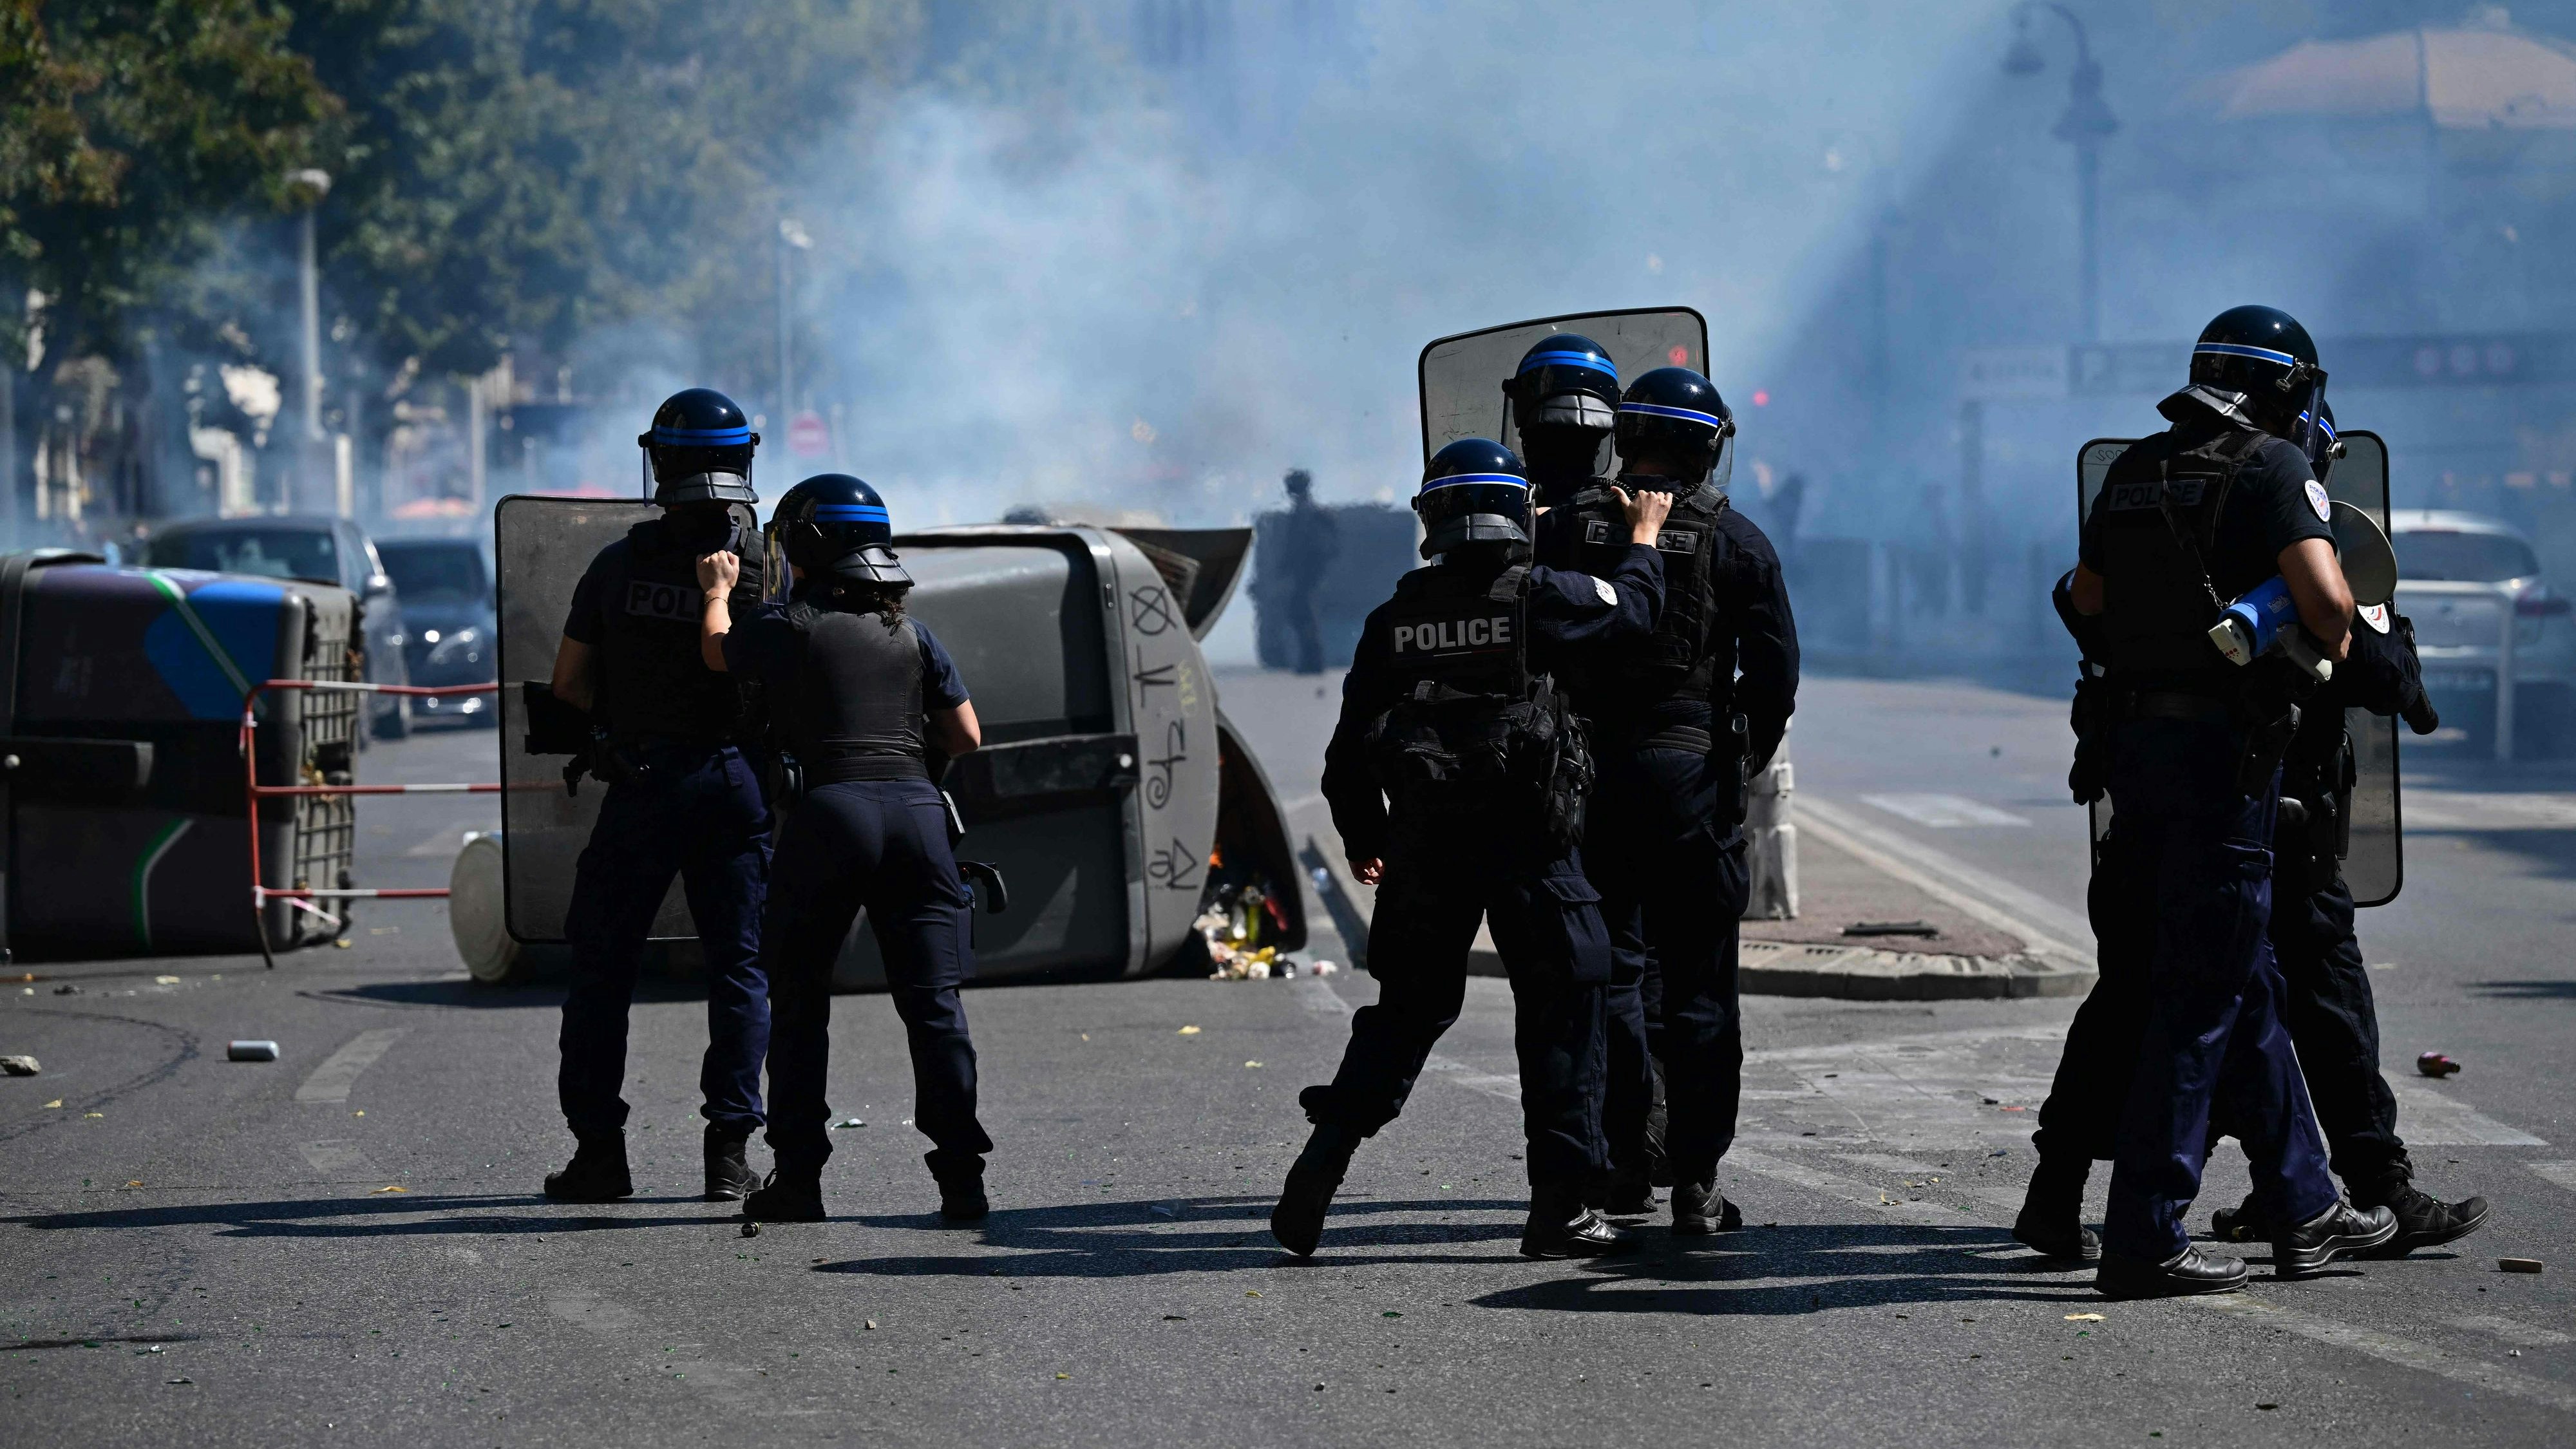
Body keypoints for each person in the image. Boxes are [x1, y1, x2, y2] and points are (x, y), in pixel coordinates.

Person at [2026, 305, 2398, 1297]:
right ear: (2287, 392)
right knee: (2202, 997)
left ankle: (2305, 1199)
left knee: (2243, 983)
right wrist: (2354, 643)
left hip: (2135, 760)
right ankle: (2144, 1230)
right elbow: (2324, 605)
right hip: (2225, 764)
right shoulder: (2275, 469)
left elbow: (2088, 598)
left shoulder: (2135, 468)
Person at [1273, 437, 1672, 1260]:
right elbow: (1634, 613)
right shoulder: (1542, 596)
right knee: (1565, 1018)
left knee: (1405, 1014)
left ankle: (1323, 1160)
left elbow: (1348, 752)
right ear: (1513, 514)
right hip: (1534, 849)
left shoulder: (1395, 619)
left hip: (1426, 850)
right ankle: (1561, 1211)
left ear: (1434, 519)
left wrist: (1366, 837)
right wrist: (1641, 542)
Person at [694, 473, 994, 1224]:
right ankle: (963, 1180)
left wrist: (717, 589)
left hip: (830, 814)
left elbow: (715, 655)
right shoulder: (914, 634)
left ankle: (799, 1180)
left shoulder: (786, 623)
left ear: (804, 545)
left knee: (798, 1003)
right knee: (934, 1008)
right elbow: (966, 736)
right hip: (920, 819)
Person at [1539, 366, 1798, 1232]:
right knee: (1700, 990)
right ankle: (1695, 1179)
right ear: (1706, 447)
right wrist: (1735, 761)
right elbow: (1774, 677)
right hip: (1690, 783)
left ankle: (1619, 1170)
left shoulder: (1563, 529)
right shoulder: (1739, 540)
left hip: (1589, 779)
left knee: (1605, 975)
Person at [544, 387, 775, 1204]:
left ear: (659, 462)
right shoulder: (769, 569)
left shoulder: (616, 565)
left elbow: (568, 687)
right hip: (736, 784)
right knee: (740, 967)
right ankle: (728, 1155)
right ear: (745, 461)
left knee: (603, 968)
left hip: (643, 784)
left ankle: (600, 1155)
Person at [1278, 469, 1340, 675]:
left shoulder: (1305, 513)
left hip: (1307, 574)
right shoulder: (1310, 512)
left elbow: (1296, 545)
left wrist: (1286, 567)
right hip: (1308, 573)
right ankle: (1311, 661)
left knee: (1304, 615)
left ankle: (1313, 662)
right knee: (1302, 615)